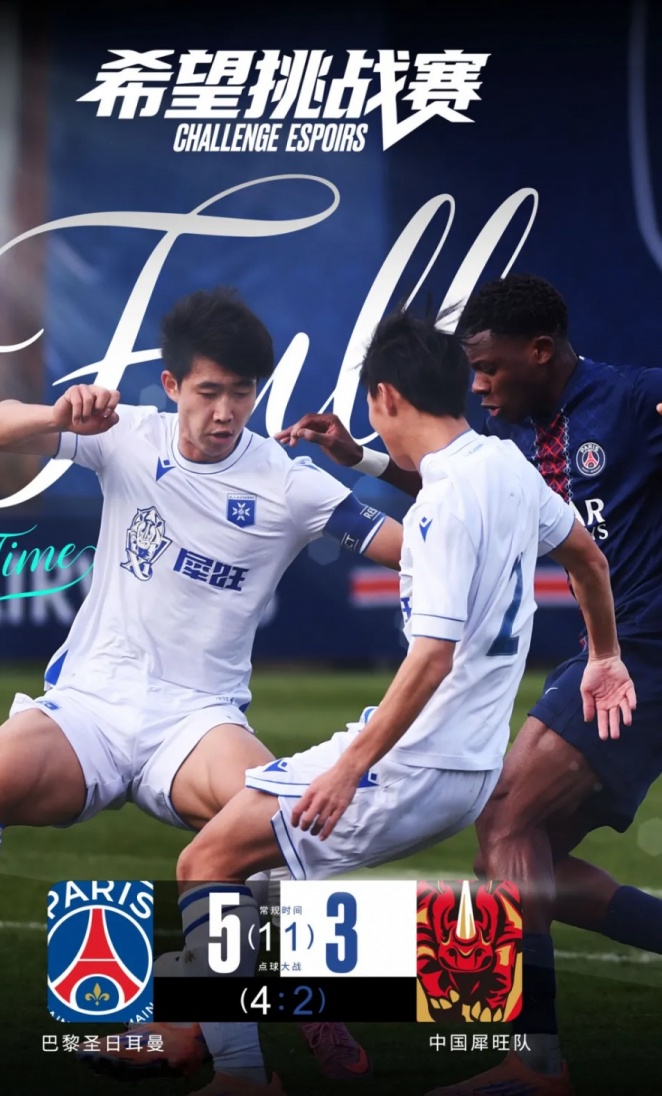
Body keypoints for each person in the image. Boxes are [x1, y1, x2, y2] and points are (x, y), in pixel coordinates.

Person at [0, 288, 403, 1080]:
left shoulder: (290, 483)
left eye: (242, 392)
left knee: (277, 823)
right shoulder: (124, 434)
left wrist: (469, 506)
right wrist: (54, 415)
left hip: (197, 720)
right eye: (209, 391)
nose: (225, 411)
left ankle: (307, 996)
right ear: (172, 385)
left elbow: (413, 549)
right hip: (92, 705)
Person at [162, 307, 634, 1096]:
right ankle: (230, 1014)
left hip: (415, 763)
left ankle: (241, 1070)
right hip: (470, 766)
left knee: (206, 861)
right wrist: (605, 656)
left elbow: (432, 656)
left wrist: (349, 767)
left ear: (384, 396)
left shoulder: (445, 502)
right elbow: (587, 556)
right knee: (251, 870)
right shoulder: (505, 465)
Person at [277, 274, 662, 1096]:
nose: (478, 386)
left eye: (488, 369)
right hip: (615, 653)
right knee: (522, 855)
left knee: (508, 817)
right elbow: (472, 497)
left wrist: (349, 768)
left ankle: (537, 1065)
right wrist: (361, 458)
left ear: (541, 352)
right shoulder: (512, 443)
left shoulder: (633, 401)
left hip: (645, 654)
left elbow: (444, 644)